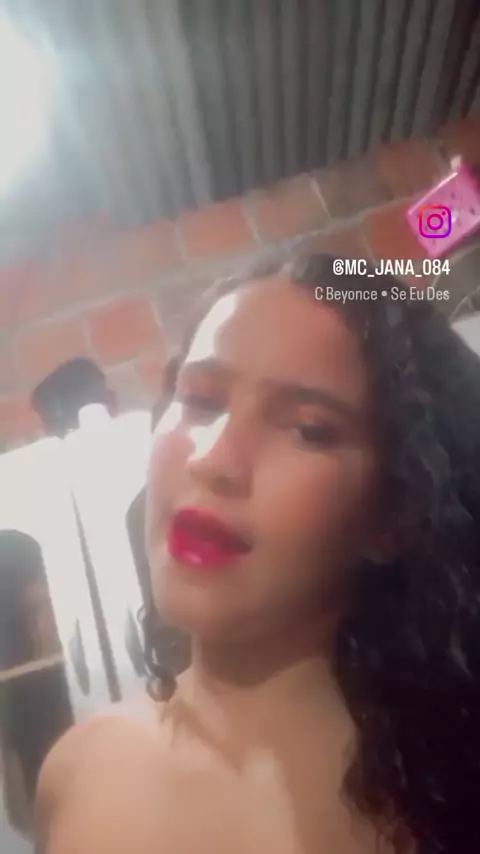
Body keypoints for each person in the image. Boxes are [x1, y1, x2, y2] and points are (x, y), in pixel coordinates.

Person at [34, 252, 480, 854]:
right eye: (200, 400)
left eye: (308, 429)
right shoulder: (77, 773)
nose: (214, 459)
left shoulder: (447, 799)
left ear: (392, 513)